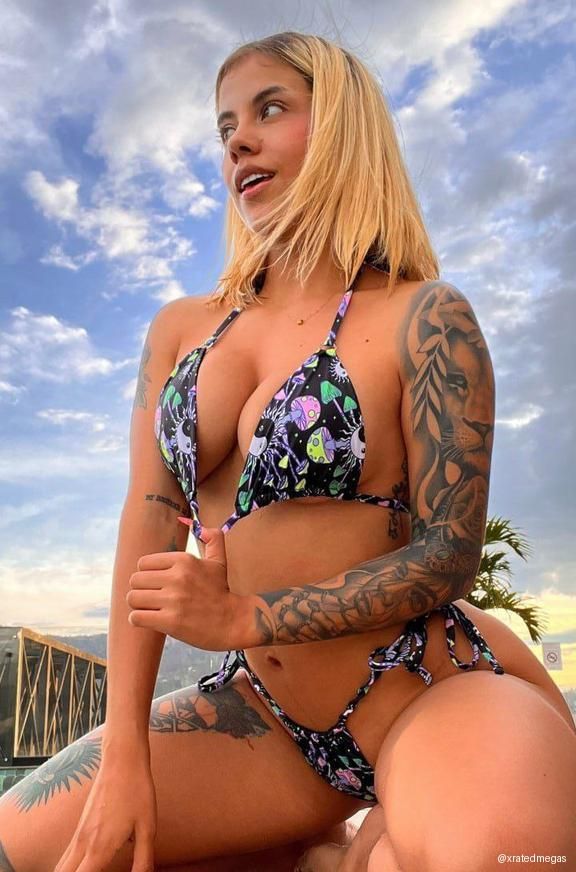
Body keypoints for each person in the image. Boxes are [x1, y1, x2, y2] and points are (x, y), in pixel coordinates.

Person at [1, 30, 575, 872]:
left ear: (342, 127)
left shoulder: (424, 315)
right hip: (268, 718)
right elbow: (150, 523)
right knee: (25, 847)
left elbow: (449, 557)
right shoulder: (181, 330)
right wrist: (125, 753)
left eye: (270, 109)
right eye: (225, 124)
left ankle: (381, 835)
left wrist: (247, 618)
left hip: (424, 690)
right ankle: (328, 846)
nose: (238, 140)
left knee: (499, 857)